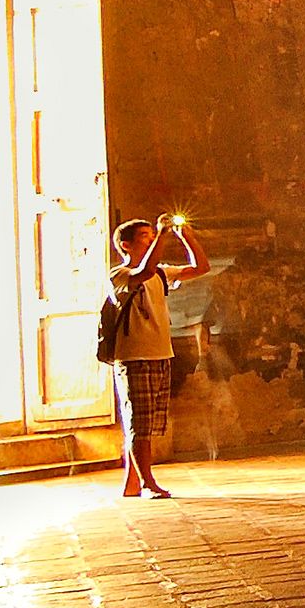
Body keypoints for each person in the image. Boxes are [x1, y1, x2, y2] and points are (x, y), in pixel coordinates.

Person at [104, 211, 201, 498]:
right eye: (144, 239)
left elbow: (200, 267)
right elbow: (142, 272)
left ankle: (132, 482)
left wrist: (188, 238)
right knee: (139, 422)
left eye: (151, 237)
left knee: (148, 421)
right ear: (126, 246)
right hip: (134, 355)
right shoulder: (120, 275)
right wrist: (162, 233)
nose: (150, 242)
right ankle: (148, 483)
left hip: (160, 352)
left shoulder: (161, 272)